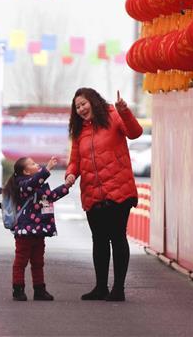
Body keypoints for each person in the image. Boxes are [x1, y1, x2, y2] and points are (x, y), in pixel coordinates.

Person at [65, 88, 143, 302]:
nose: (81, 109)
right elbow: (75, 160)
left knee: (117, 237)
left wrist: (125, 111)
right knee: (99, 240)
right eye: (77, 107)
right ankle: (100, 287)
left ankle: (118, 289)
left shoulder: (113, 115)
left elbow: (135, 132)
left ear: (93, 101)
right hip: (92, 192)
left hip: (119, 189)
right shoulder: (80, 130)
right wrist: (71, 174)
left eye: (83, 104)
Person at [5, 155, 72, 301]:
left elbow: (50, 197)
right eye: (33, 164)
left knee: (38, 262)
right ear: (26, 172)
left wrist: (66, 186)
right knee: (21, 261)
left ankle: (39, 290)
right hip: (25, 231)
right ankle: (18, 289)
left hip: (39, 230)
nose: (37, 165)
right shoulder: (22, 184)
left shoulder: (39, 185)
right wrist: (47, 169)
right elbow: (32, 184)